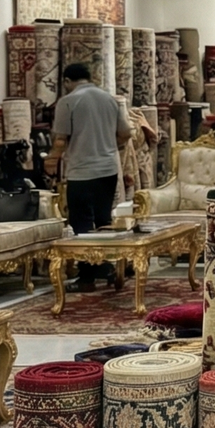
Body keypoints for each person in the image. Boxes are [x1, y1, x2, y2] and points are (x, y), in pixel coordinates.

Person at [47, 62, 131, 290]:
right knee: (104, 220)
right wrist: (109, 147)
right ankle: (107, 267)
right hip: (108, 170)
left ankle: (90, 276)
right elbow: (125, 133)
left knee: (82, 223)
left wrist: (51, 161)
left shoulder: (68, 102)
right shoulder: (109, 99)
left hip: (82, 172)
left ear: (67, 81)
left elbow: (61, 140)